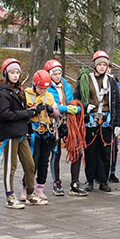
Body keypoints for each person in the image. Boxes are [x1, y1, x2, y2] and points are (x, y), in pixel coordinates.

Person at [0, 58, 45, 207]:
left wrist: (33, 111)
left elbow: (20, 112)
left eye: (17, 72)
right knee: (11, 166)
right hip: (10, 133)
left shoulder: (18, 91)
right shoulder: (4, 93)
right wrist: (26, 113)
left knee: (30, 164)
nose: (15, 75)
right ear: (6, 74)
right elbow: (5, 114)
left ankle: (30, 193)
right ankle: (10, 197)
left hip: (22, 132)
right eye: (12, 72)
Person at [79, 53, 120, 193]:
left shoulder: (112, 81)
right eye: (100, 64)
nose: (102, 67)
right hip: (91, 119)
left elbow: (116, 103)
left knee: (105, 152)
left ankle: (103, 180)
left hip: (107, 120)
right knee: (90, 151)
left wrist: (117, 124)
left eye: (105, 65)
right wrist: (85, 106)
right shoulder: (86, 80)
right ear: (94, 65)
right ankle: (90, 180)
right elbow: (77, 98)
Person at [44, 60, 81, 196]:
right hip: (54, 123)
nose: (58, 76)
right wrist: (68, 108)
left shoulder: (67, 86)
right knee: (56, 152)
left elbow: (71, 101)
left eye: (59, 73)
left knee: (77, 150)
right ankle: (57, 182)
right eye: (55, 74)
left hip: (67, 123)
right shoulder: (47, 87)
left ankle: (75, 183)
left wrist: (75, 108)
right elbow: (53, 106)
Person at [26, 70, 58, 201]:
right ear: (34, 85)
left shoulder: (49, 96)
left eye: (45, 88)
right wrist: (33, 111)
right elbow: (24, 112)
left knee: (44, 161)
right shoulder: (27, 95)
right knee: (31, 161)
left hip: (46, 133)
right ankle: (27, 187)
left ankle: (40, 187)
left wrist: (52, 111)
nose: (42, 90)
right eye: (40, 88)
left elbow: (56, 113)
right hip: (34, 132)